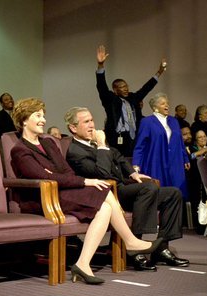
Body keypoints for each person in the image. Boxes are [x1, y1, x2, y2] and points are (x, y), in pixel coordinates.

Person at [10, 98, 162, 285]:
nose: (43, 120)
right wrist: (82, 180)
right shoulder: (19, 150)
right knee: (102, 191)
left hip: (62, 192)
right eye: (38, 116)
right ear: (24, 120)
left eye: (44, 115)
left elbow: (66, 172)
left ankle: (83, 263)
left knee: (105, 204)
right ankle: (130, 241)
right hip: (42, 198)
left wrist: (56, 175)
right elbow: (43, 177)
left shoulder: (48, 143)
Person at [64, 107, 188, 271]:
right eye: (86, 122)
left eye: (92, 120)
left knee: (173, 193)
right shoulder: (75, 151)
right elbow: (103, 173)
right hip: (107, 194)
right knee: (148, 188)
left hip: (122, 187)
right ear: (73, 128)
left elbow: (119, 157)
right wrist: (101, 145)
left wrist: (132, 173)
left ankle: (161, 248)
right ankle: (136, 250)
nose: (92, 125)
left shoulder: (94, 142)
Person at [95, 45, 167, 157]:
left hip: (134, 137)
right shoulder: (111, 100)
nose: (126, 88)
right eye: (122, 87)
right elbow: (101, 87)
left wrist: (159, 72)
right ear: (115, 90)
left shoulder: (133, 98)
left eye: (126, 86)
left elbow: (146, 88)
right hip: (117, 137)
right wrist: (100, 65)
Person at [132, 93, 190, 200]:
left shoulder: (174, 121)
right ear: (155, 108)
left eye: (167, 103)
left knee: (178, 192)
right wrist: (136, 164)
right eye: (163, 103)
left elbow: (180, 142)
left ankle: (178, 216)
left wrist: (185, 158)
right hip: (157, 162)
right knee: (161, 193)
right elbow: (140, 145)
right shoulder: (147, 122)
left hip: (175, 162)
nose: (166, 105)